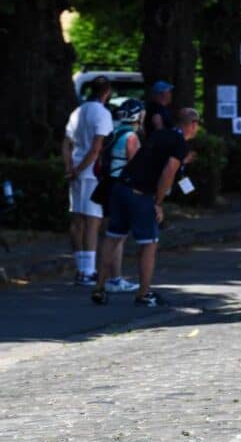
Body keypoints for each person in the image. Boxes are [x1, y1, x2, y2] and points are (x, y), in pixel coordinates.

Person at [91, 107, 201, 307]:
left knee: (113, 237)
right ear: (192, 124)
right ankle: (143, 293)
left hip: (120, 187)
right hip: (141, 195)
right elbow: (168, 173)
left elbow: (152, 159)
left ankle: (99, 287)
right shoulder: (179, 143)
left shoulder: (159, 135)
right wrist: (158, 203)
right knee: (149, 243)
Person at [63, 75, 113, 286]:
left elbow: (66, 143)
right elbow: (96, 148)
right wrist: (81, 169)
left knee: (77, 221)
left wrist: (70, 168)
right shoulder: (102, 113)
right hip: (92, 173)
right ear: (107, 92)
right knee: (93, 220)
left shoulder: (77, 111)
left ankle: (80, 269)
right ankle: (89, 271)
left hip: (75, 171)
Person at [99, 99, 144, 293]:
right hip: (123, 187)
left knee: (112, 235)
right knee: (118, 236)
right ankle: (115, 279)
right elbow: (136, 167)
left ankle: (108, 278)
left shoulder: (114, 133)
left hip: (109, 185)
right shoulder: (132, 137)